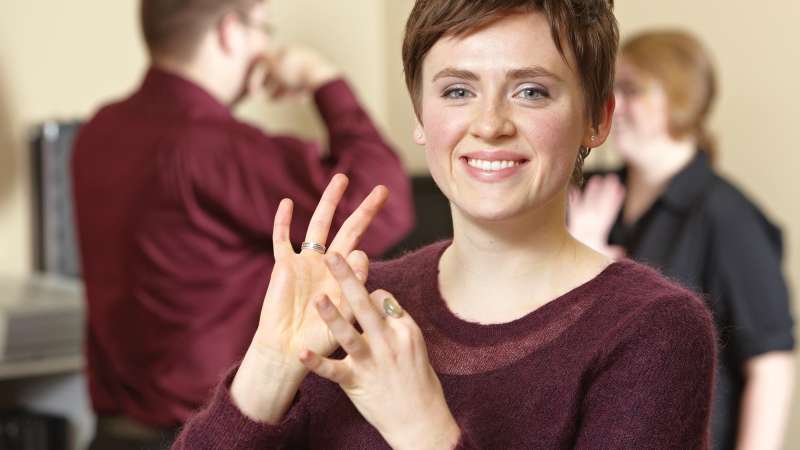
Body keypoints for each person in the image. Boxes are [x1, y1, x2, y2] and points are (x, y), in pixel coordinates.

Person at [173, 1, 717, 448]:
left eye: (531, 91)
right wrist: (267, 369)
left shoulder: (654, 332)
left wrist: (423, 431)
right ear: (419, 115)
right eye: (458, 90)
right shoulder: (357, 305)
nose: (489, 125)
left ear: (597, 119)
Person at [71, 0, 414, 448]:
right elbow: (384, 203)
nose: (266, 46)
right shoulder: (212, 147)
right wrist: (322, 78)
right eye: (262, 30)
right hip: (209, 434)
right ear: (230, 31)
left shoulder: (98, 131)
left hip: (110, 434)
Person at [569, 30, 795, 450]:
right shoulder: (593, 198)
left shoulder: (728, 218)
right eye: (610, 87)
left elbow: (771, 366)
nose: (611, 104)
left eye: (631, 89)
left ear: (681, 98)